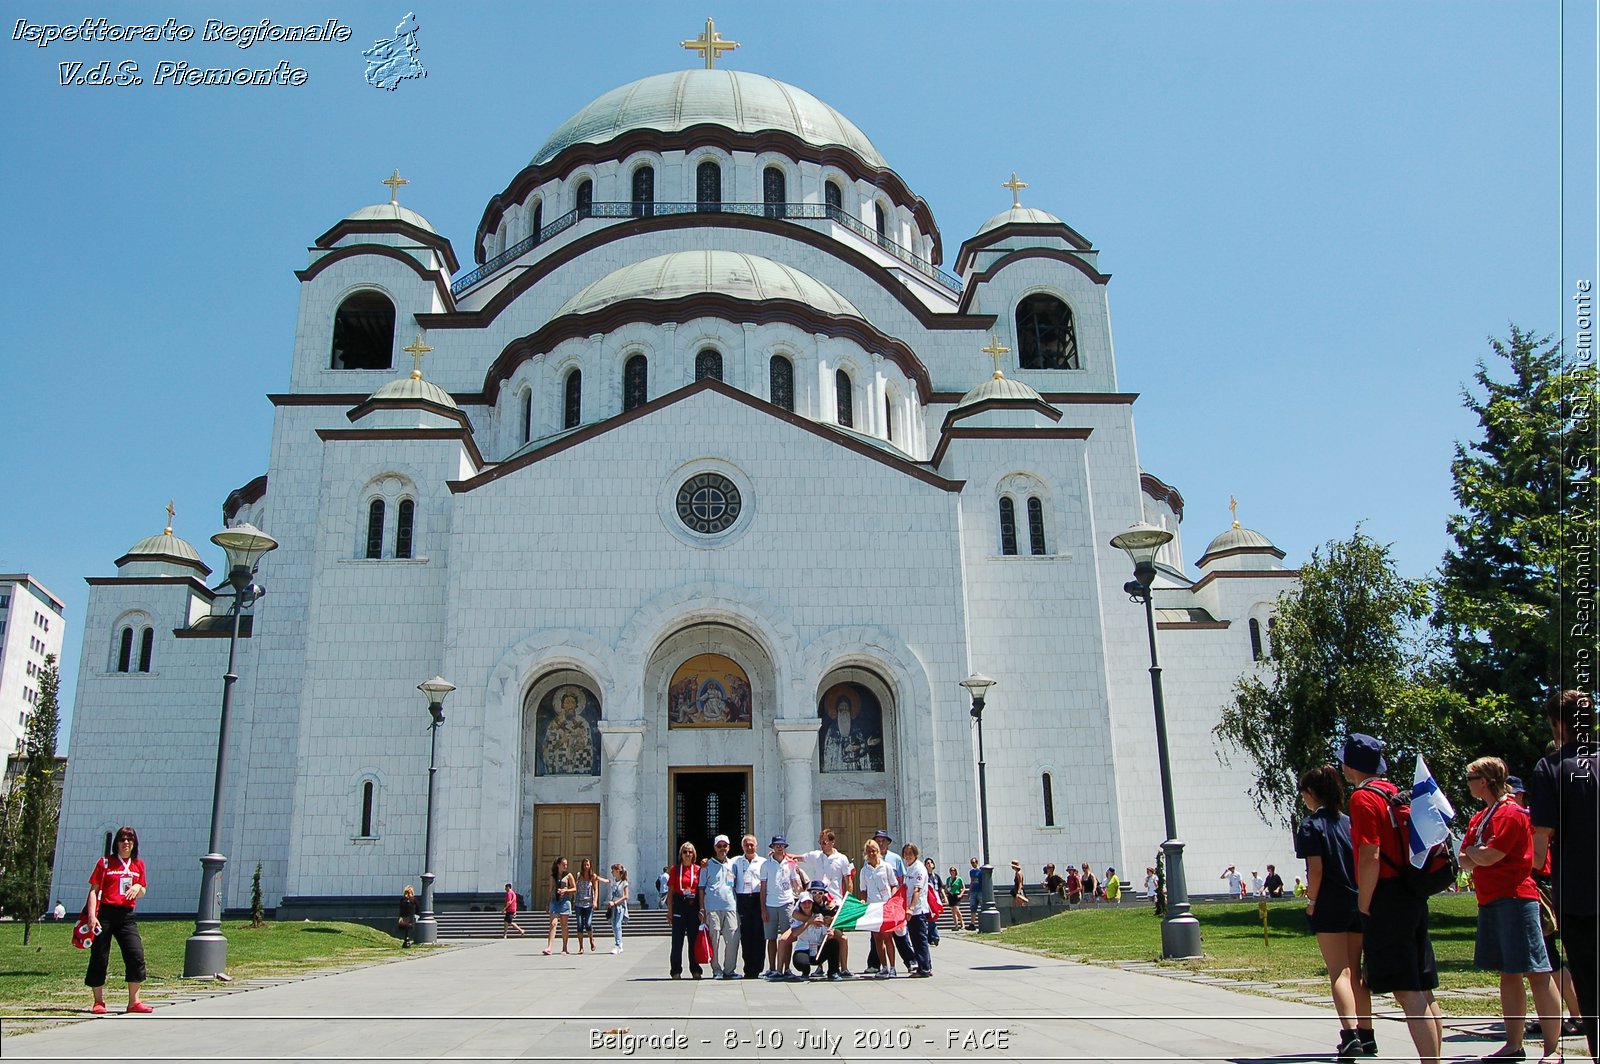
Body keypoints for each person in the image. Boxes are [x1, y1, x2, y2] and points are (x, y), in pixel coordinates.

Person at [1344, 733, 1443, 1063]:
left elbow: (1370, 854)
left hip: (1386, 896)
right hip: (1412, 891)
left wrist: (1364, 903)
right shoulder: (1393, 792)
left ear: (1350, 765)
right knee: (1424, 988)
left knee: (1406, 991)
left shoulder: (1362, 799)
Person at [1459, 755, 1563, 1063]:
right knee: (1509, 973)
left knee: (1538, 973)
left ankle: (1553, 1048)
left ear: (1485, 781)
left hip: (1517, 900)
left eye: (1470, 779)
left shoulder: (1512, 814)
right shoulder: (1480, 817)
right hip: (1490, 901)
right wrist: (1476, 853)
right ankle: (1513, 1044)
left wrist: (1476, 853)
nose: (1467, 785)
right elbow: (1466, 857)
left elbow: (1490, 855)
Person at [1530, 690, 1598, 1058]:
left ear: (1558, 724)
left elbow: (1541, 844)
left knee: (1590, 985)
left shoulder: (1551, 768)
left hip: (1580, 896)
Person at [1295, 763, 1373, 1061]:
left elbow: (1315, 869)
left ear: (1312, 793)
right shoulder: (1349, 822)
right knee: (1356, 971)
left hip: (1329, 901)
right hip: (1356, 899)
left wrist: (1311, 901)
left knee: (1338, 971)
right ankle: (1367, 1035)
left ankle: (1349, 1035)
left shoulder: (1311, 825)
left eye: (1304, 793)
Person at [85, 825, 151, 1014]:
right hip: (105, 914)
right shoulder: (105, 862)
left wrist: (138, 887)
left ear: (134, 843)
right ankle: (98, 1001)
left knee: (135, 954)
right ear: (117, 843)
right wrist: (92, 916)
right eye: (122, 839)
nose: (126, 843)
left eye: (129, 839)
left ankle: (134, 1001)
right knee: (100, 956)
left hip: (126, 915)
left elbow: (143, 890)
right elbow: (94, 890)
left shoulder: (138, 864)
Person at [758, 835, 801, 978]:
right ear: (772, 847)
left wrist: (799, 888)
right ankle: (772, 967)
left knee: (786, 937)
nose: (779, 847)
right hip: (771, 904)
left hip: (787, 903)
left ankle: (786, 968)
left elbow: (795, 882)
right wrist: (763, 909)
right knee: (771, 938)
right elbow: (763, 888)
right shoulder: (765, 865)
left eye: (781, 845)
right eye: (776, 845)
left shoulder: (790, 864)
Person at [858, 838, 900, 978]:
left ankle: (893, 967)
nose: (871, 854)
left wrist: (892, 900)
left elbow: (894, 885)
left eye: (874, 851)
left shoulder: (886, 867)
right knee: (877, 938)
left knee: (888, 937)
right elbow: (863, 890)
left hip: (886, 906)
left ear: (878, 852)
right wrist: (863, 900)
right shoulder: (864, 871)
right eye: (869, 852)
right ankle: (884, 967)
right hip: (873, 907)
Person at [700, 835, 740, 979]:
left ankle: (729, 970)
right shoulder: (707, 866)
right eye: (719, 846)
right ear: (715, 848)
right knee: (714, 940)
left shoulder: (734, 864)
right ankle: (716, 970)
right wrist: (702, 908)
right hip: (712, 908)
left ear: (729, 847)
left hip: (730, 907)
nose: (722, 848)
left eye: (725, 846)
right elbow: (701, 888)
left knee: (733, 939)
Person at [730, 834, 767, 978]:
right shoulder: (735, 862)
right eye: (746, 845)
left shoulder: (764, 862)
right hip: (743, 900)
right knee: (746, 936)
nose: (749, 847)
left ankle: (758, 968)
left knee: (759, 935)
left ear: (756, 846)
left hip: (758, 899)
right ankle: (748, 968)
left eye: (752, 845)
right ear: (742, 847)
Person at [667, 841, 704, 979]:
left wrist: (701, 909)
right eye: (685, 852)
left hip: (693, 906)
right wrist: (670, 911)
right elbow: (670, 892)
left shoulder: (699, 870)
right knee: (677, 940)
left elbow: (701, 890)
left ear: (694, 854)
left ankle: (695, 969)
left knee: (694, 940)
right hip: (679, 905)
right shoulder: (675, 870)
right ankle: (675, 970)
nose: (687, 854)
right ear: (680, 854)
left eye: (690, 852)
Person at [903, 843, 933, 977]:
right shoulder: (909, 868)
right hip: (911, 910)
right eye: (906, 854)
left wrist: (911, 908)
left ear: (916, 854)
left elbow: (917, 890)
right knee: (916, 940)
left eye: (910, 854)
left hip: (918, 910)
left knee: (920, 940)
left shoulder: (919, 869)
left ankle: (924, 969)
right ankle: (925, 965)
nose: (908, 856)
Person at [798, 829, 855, 899]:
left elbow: (848, 882)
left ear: (832, 842)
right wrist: (782, 854)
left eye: (824, 842)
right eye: (820, 842)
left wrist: (847, 901)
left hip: (835, 899)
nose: (822, 845)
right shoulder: (816, 855)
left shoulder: (842, 858)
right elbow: (798, 858)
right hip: (818, 899)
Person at [573, 858, 607, 954]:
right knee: (579, 925)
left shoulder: (593, 876)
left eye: (587, 865)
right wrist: (573, 899)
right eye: (584, 865)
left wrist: (595, 901)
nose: (586, 867)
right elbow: (576, 888)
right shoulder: (579, 876)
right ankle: (581, 947)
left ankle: (591, 940)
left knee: (588, 924)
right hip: (579, 903)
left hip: (589, 904)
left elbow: (596, 889)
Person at [543, 856, 574, 956]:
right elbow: (550, 890)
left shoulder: (568, 875)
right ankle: (549, 947)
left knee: (564, 925)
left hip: (565, 901)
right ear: (558, 865)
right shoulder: (553, 876)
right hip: (554, 901)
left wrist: (566, 890)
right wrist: (547, 904)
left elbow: (574, 888)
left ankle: (565, 948)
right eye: (563, 864)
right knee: (553, 924)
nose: (565, 866)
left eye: (566, 865)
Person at [605, 864, 630, 954]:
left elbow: (626, 896)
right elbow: (606, 881)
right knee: (613, 924)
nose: (612, 872)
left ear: (617, 871)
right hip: (613, 906)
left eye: (613, 871)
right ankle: (619, 943)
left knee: (617, 925)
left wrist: (615, 902)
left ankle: (618, 945)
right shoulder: (613, 881)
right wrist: (596, 877)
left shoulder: (624, 883)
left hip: (620, 906)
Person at [924, 858, 944, 946]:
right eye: (927, 863)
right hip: (927, 900)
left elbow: (940, 888)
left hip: (935, 900)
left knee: (933, 918)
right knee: (929, 919)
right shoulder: (924, 876)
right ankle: (932, 937)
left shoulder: (936, 876)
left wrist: (944, 897)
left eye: (930, 863)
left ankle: (933, 937)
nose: (929, 864)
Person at [946, 866, 968, 930]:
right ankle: (959, 923)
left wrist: (961, 894)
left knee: (955, 910)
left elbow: (963, 888)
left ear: (956, 872)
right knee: (954, 911)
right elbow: (947, 887)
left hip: (956, 895)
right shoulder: (948, 879)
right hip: (951, 895)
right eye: (951, 871)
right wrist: (945, 893)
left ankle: (958, 925)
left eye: (954, 871)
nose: (952, 872)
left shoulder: (959, 879)